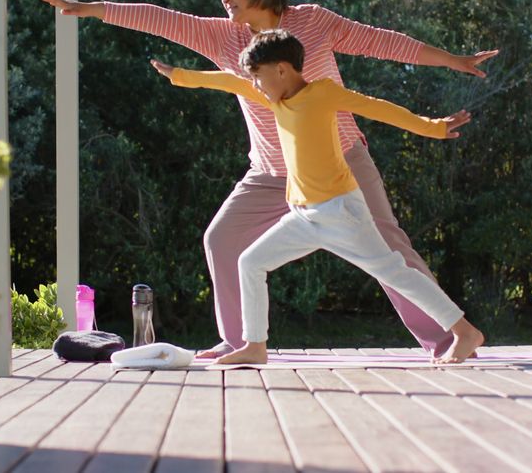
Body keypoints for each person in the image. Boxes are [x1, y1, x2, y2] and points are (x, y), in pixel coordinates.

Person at [39, 0, 498, 359]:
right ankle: (241, 343)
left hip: (341, 163)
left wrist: (453, 60)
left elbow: (381, 41)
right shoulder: (224, 38)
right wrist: (89, 10)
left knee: (391, 249)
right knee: (222, 240)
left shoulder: (312, 22)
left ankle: (449, 337)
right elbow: (157, 17)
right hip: (270, 174)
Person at [149, 30, 484, 364]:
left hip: (341, 212)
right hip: (304, 215)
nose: (254, 85)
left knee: (394, 272)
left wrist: (434, 127)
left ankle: (464, 331)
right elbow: (229, 81)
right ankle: (254, 346)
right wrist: (179, 75)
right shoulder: (275, 99)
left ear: (282, 69)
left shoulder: (323, 93)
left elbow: (379, 108)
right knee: (250, 262)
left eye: (259, 76)